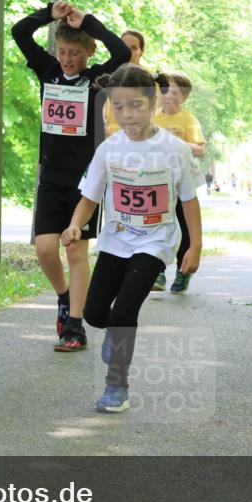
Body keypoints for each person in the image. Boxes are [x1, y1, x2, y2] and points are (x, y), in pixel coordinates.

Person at [61, 65, 202, 413]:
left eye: (136, 105)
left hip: (155, 241)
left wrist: (195, 245)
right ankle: (115, 333)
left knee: (125, 311)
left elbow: (189, 200)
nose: (127, 114)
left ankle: (116, 387)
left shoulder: (174, 150)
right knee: (94, 313)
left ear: (154, 102)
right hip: (116, 239)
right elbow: (90, 197)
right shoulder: (109, 149)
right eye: (119, 106)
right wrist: (76, 225)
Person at [12, 0, 130, 352]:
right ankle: (64, 297)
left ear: (89, 52)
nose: (67, 59)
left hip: (86, 180)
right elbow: (19, 32)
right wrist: (50, 13)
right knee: (46, 249)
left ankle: (75, 327)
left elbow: (122, 52)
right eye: (63, 52)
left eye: (75, 54)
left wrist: (88, 22)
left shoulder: (97, 80)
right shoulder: (47, 70)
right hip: (51, 176)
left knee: (77, 251)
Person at [150, 72, 206, 294]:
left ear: (183, 97)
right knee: (160, 223)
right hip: (157, 179)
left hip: (182, 181)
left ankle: (183, 272)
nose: (166, 95)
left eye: (173, 92)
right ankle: (158, 271)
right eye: (163, 91)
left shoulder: (188, 119)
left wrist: (176, 142)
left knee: (183, 227)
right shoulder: (153, 116)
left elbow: (200, 149)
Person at [104, 29, 150, 138]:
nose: (128, 52)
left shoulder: (152, 79)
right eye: (124, 47)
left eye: (134, 48)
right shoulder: (106, 77)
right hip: (112, 139)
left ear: (141, 51)